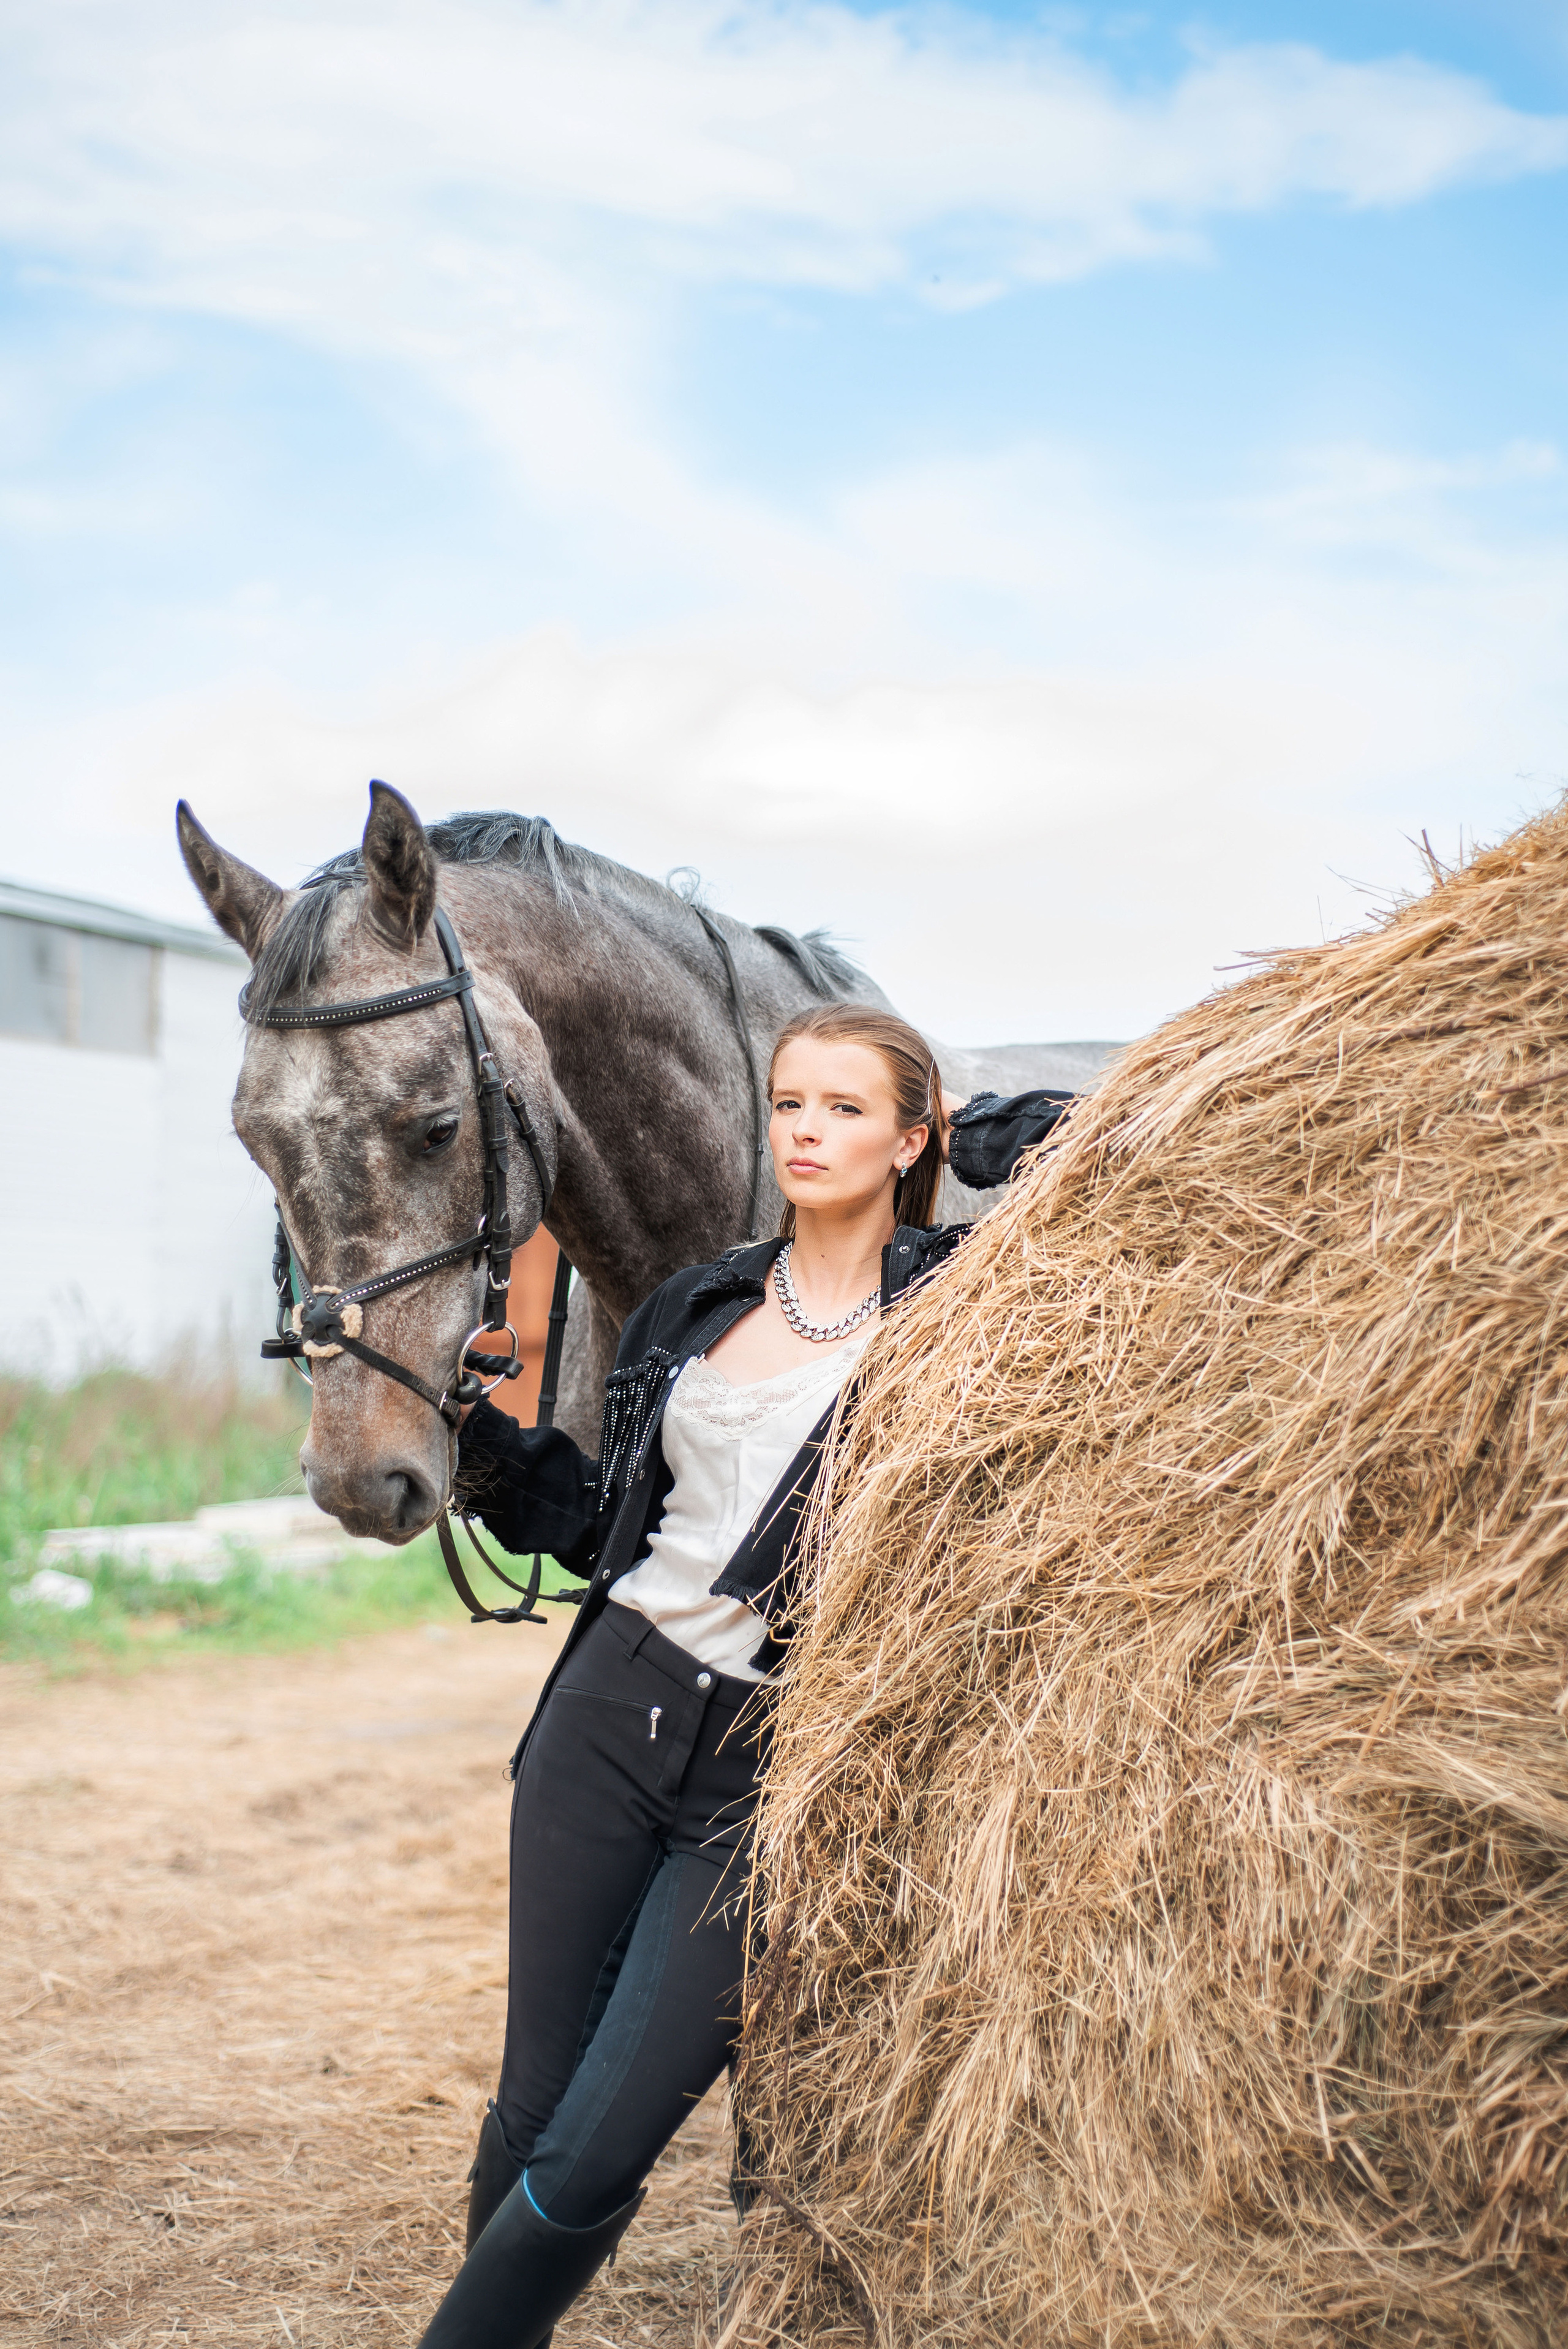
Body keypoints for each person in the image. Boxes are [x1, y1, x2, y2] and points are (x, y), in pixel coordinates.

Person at [413, 1007, 1074, 2349]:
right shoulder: (699, 1299)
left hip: (767, 1773)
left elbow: (1116, 1185)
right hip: (602, 1714)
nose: (806, 1132)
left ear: (906, 1137)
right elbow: (602, 1520)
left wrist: (1002, 1130)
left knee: (604, 2141)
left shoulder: (959, 1307)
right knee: (533, 2103)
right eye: (787, 1105)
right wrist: (476, 1442)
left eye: (843, 1107)